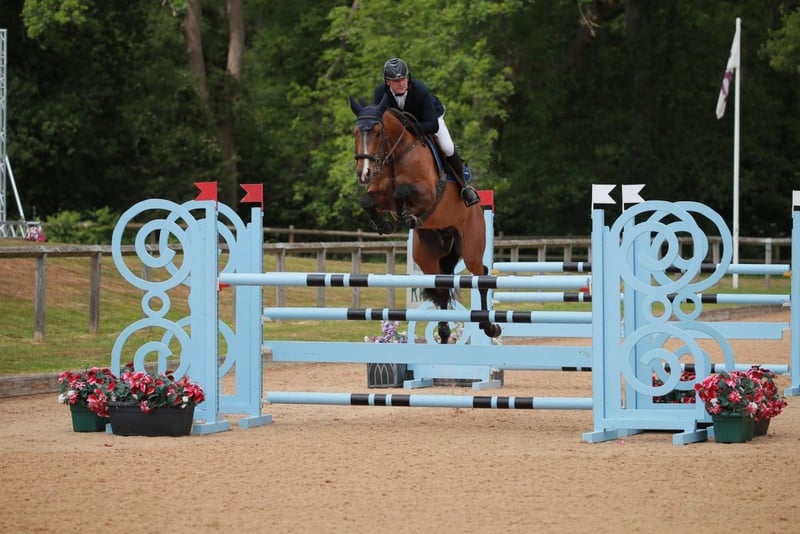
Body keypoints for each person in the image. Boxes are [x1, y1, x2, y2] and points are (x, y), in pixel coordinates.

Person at [373, 58, 480, 207]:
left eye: (404, 78)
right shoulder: (380, 94)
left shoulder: (420, 90)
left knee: (447, 147)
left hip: (429, 119)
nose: (402, 83)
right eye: (396, 81)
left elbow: (433, 125)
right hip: (403, 128)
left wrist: (411, 127)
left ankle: (464, 187)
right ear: (387, 82)